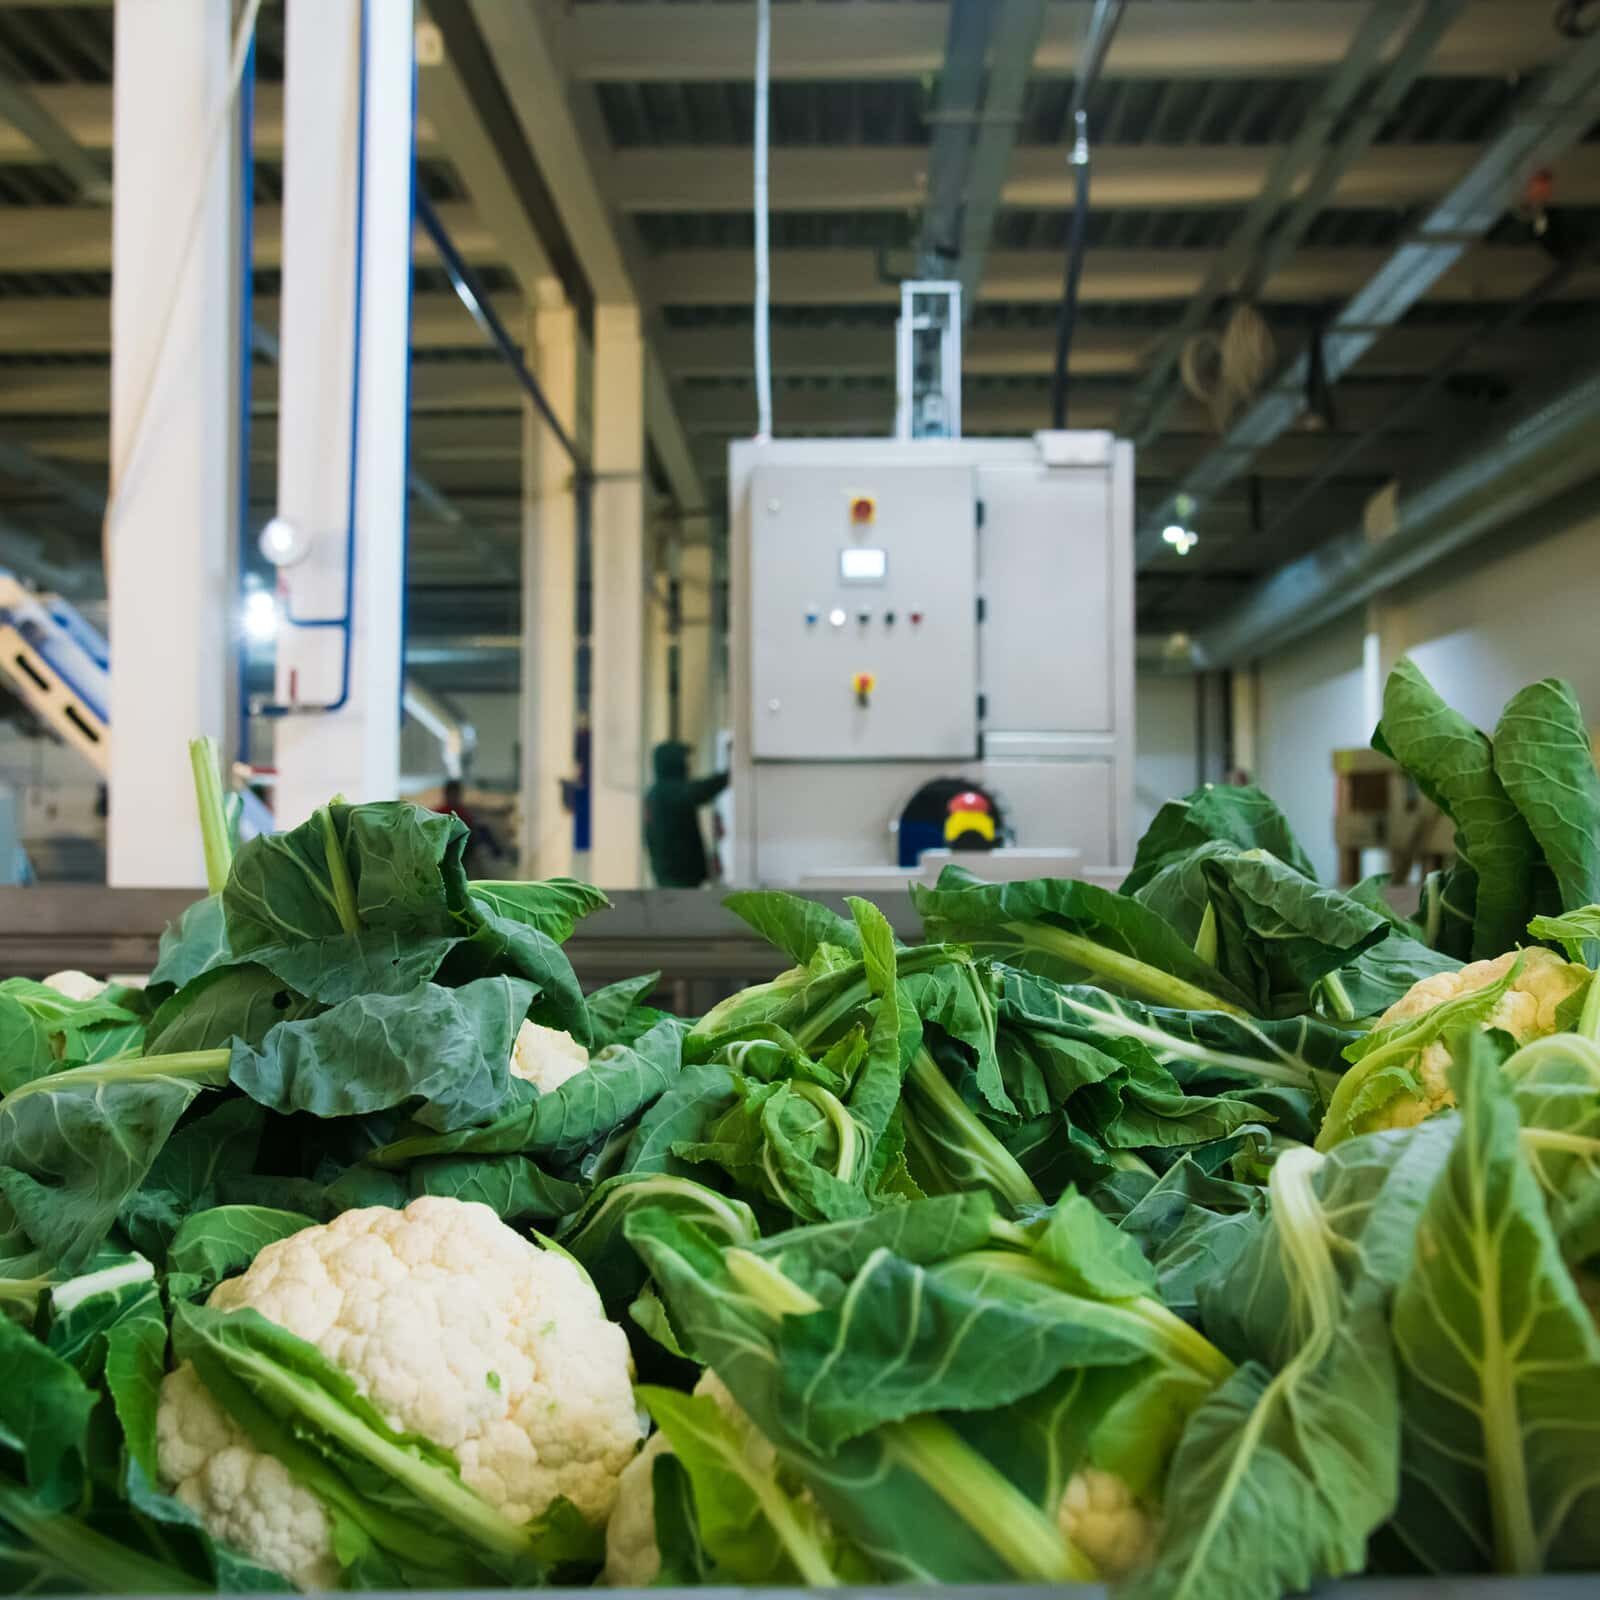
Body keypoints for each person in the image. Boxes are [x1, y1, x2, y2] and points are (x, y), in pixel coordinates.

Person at [643, 741, 729, 888]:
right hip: (677, 882)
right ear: (672, 764)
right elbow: (699, 792)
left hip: (676, 880)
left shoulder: (656, 793)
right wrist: (729, 776)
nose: (687, 767)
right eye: (683, 761)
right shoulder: (665, 792)